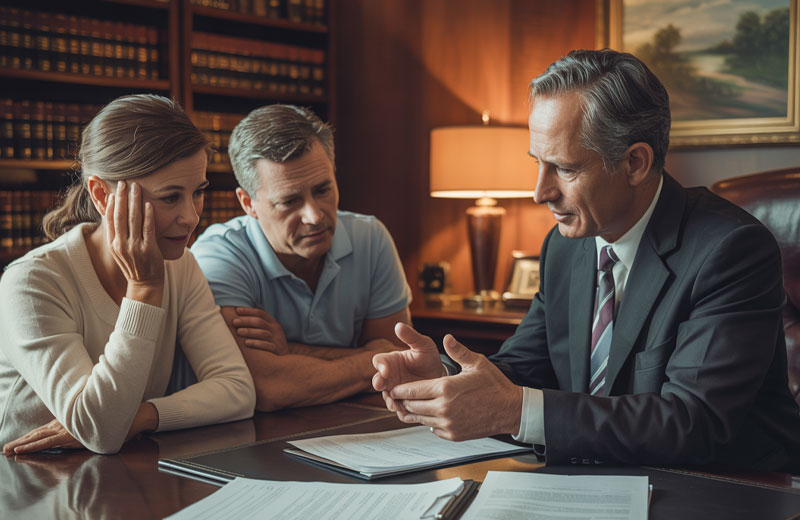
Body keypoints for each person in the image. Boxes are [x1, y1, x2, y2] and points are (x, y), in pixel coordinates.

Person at [373, 49, 800, 472]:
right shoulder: (565, 247)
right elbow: (522, 368)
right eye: (538, 164)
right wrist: (445, 380)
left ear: (634, 162)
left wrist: (515, 411)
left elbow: (692, 422)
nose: (541, 193)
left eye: (564, 168)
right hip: (598, 482)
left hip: (726, 497)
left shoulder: (730, 251)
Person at [0, 94, 256, 456]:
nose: (191, 217)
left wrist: (141, 417)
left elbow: (237, 390)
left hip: (118, 477)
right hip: (27, 485)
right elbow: (102, 431)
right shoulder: (31, 283)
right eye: (170, 197)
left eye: (197, 192)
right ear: (102, 195)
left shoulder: (181, 266)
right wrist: (145, 288)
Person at [190, 104, 412, 412]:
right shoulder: (219, 255)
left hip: (359, 427)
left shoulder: (370, 237)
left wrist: (289, 352)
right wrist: (370, 359)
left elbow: (402, 360)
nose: (314, 215)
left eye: (323, 190)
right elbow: (265, 387)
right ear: (248, 203)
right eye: (290, 201)